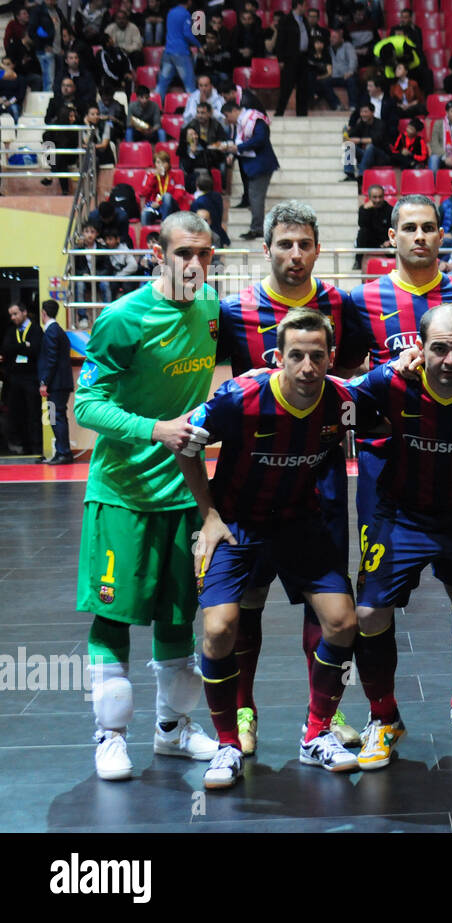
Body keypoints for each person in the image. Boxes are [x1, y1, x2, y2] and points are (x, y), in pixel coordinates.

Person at [177, 310, 360, 788]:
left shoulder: (342, 401)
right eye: (295, 355)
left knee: (343, 623)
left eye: (317, 356)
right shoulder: (239, 397)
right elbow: (183, 443)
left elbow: (386, 392)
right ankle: (227, 746)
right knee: (219, 631)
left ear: (331, 358)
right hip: (236, 526)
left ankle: (316, 734)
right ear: (276, 357)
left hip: (299, 525)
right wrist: (209, 516)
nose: (306, 367)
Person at [211, 203, 368, 756]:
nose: (295, 255)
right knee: (246, 597)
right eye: (284, 245)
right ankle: (244, 709)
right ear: (267, 249)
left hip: (318, 470)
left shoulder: (340, 305)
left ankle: (323, 714)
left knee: (324, 596)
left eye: (305, 244)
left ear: (318, 249)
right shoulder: (235, 310)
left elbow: (352, 375)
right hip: (251, 475)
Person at [73, 211, 222, 781]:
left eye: (205, 254)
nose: (194, 264)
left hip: (185, 495)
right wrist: (156, 428)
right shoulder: (122, 318)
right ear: (158, 254)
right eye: (183, 253)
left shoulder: (212, 312)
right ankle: (109, 736)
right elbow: (86, 407)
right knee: (113, 615)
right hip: (123, 495)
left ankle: (171, 731)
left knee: (179, 617)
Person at [343, 195, 452, 746]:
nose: (421, 236)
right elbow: (343, 367)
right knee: (373, 602)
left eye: (430, 227)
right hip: (387, 470)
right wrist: (382, 368)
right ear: (391, 237)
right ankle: (384, 716)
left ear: (441, 235)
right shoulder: (365, 299)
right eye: (410, 228)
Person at [219, 100, 279, 240]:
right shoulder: (241, 122)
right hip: (252, 165)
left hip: (261, 164)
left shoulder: (253, 119)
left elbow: (260, 139)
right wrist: (233, 153)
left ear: (234, 111)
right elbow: (239, 141)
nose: (227, 120)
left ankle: (257, 228)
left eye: (227, 116)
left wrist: (238, 148)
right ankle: (257, 226)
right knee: (254, 197)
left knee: (256, 197)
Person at [36, 299, 73, 464]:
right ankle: (62, 451)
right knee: (57, 416)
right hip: (61, 383)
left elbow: (51, 359)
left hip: (56, 384)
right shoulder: (58, 331)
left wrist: (44, 381)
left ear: (43, 313)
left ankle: (63, 452)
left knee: (56, 416)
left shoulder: (51, 331)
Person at [3, 301, 42, 455]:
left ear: (24, 312)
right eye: (11, 315)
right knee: (18, 413)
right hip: (15, 379)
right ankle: (23, 445)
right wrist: (23, 346)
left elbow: (35, 350)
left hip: (31, 378)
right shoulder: (11, 331)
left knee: (33, 413)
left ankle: (37, 446)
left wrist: (19, 348)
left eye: (15, 314)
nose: (13, 317)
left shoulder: (36, 329)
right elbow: (6, 349)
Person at [157, 0, 200, 94]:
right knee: (190, 85)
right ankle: (194, 108)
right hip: (181, 53)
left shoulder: (171, 12)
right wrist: (198, 45)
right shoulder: (185, 14)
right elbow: (187, 34)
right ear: (189, 2)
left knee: (162, 84)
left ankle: (156, 106)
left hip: (168, 51)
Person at [343, 101, 388, 183]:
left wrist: (359, 140)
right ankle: (349, 173)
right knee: (349, 145)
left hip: (380, 156)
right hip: (366, 155)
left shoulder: (380, 123)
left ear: (372, 112)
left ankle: (361, 175)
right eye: (361, 112)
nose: (363, 114)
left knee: (370, 147)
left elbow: (376, 140)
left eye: (365, 112)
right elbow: (350, 137)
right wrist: (347, 132)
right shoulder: (361, 124)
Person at [355, 183, 394, 266]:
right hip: (371, 241)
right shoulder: (364, 209)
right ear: (369, 198)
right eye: (375, 197)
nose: (378, 200)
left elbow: (394, 228)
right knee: (362, 233)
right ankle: (358, 261)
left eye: (380, 197)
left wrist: (390, 240)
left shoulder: (390, 210)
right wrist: (366, 210)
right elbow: (362, 224)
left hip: (385, 241)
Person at [140, 150, 181, 224]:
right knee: (144, 214)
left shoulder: (176, 175)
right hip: (154, 207)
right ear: (155, 164)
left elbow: (179, 194)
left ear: (168, 164)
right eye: (158, 162)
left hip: (171, 207)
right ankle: (146, 235)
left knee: (167, 196)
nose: (161, 165)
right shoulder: (150, 175)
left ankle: (165, 227)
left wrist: (160, 202)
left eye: (163, 162)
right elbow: (144, 193)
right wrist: (153, 178)